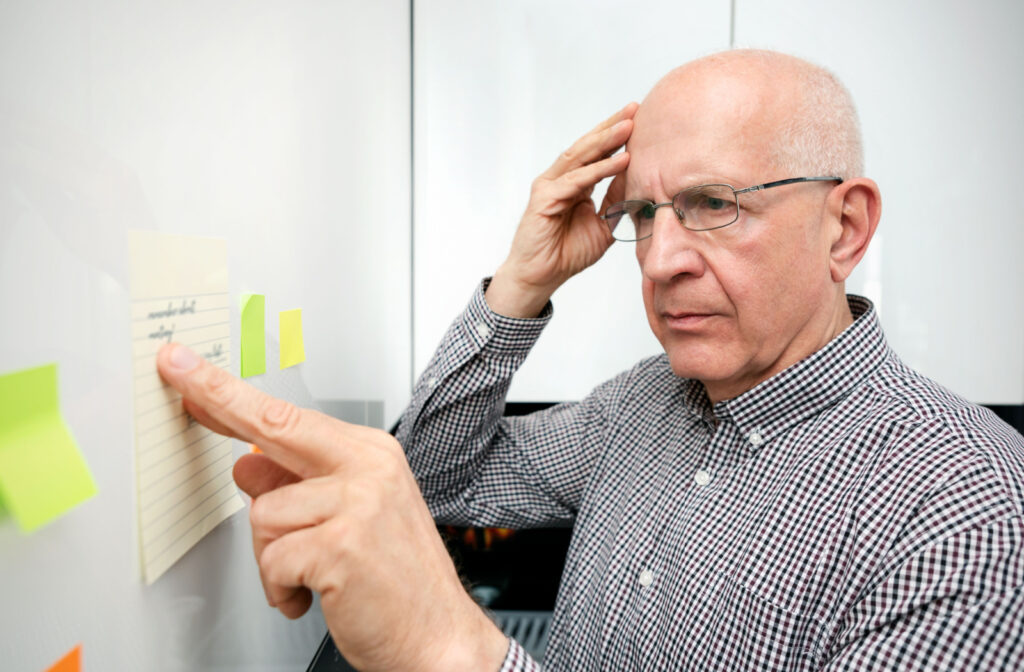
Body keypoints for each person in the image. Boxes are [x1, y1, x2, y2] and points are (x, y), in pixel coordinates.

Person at [156, 49, 1024, 671]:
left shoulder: (967, 512)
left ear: (845, 227)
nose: (657, 260)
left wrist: (458, 651)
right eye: (644, 215)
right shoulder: (647, 402)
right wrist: (522, 283)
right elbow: (435, 480)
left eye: (713, 203)